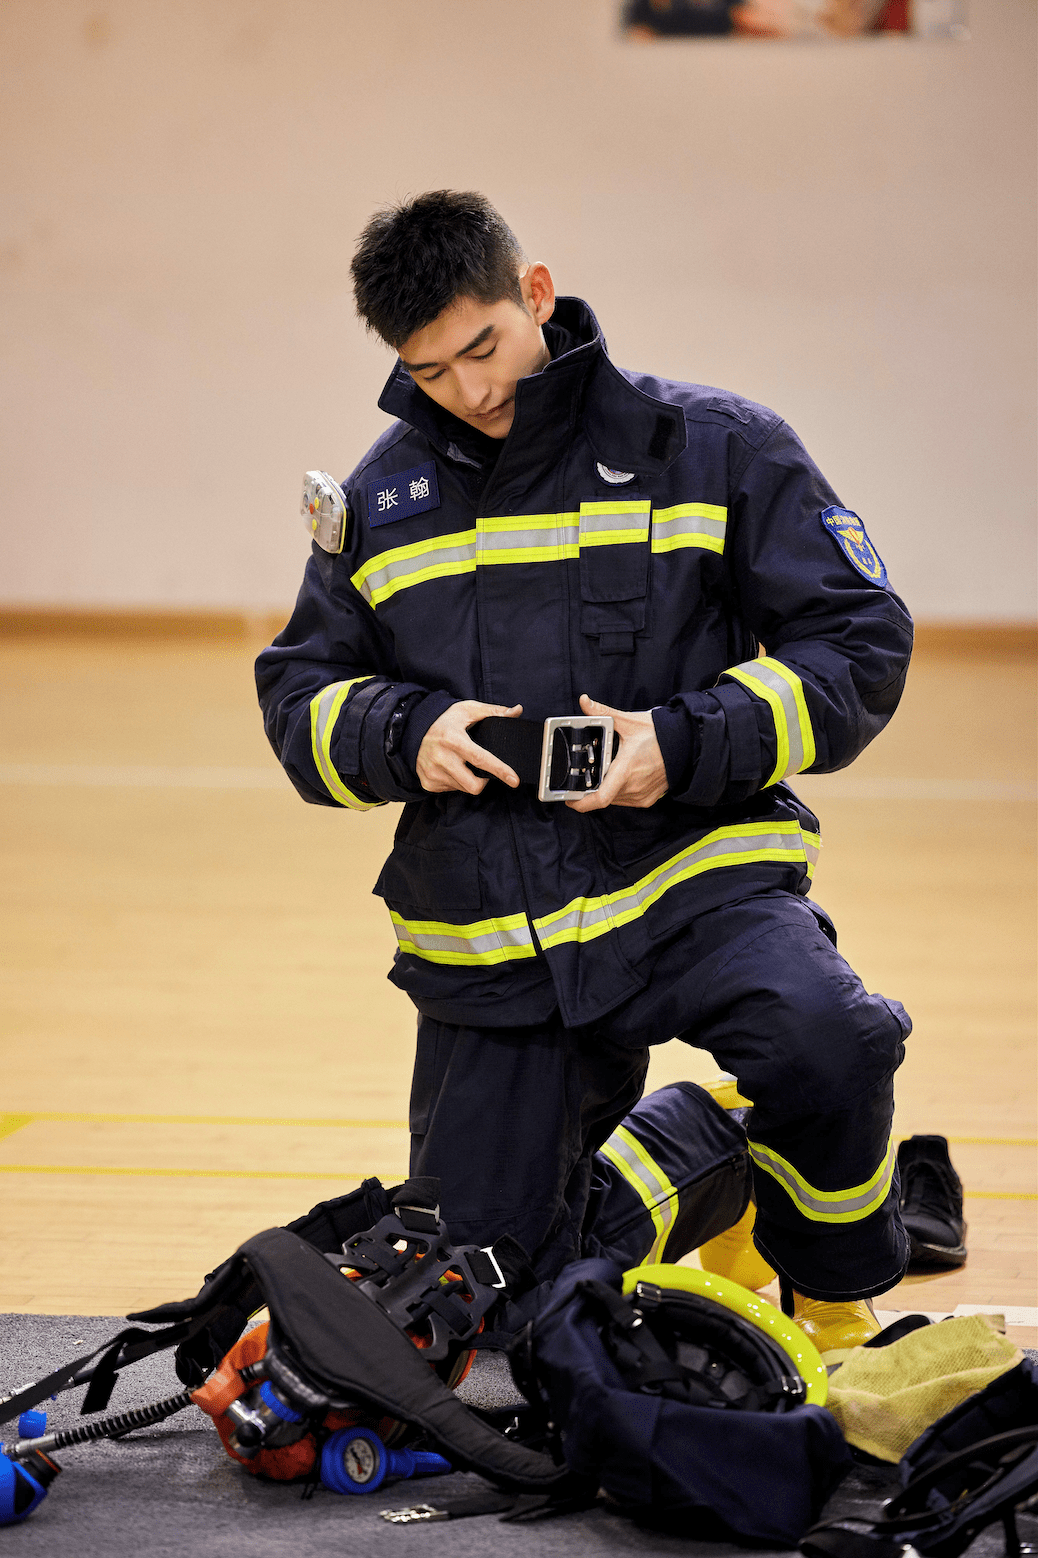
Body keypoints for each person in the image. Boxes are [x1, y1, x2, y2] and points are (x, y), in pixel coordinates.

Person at [256, 190, 914, 1350]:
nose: (472, 392)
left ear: (537, 296)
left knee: (831, 1038)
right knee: (496, 1303)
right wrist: (403, 731)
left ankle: (829, 1281)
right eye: (432, 369)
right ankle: (706, 1155)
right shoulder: (378, 503)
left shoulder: (714, 446)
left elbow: (858, 643)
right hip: (495, 936)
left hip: (690, 877)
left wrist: (689, 740)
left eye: (484, 346)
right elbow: (298, 695)